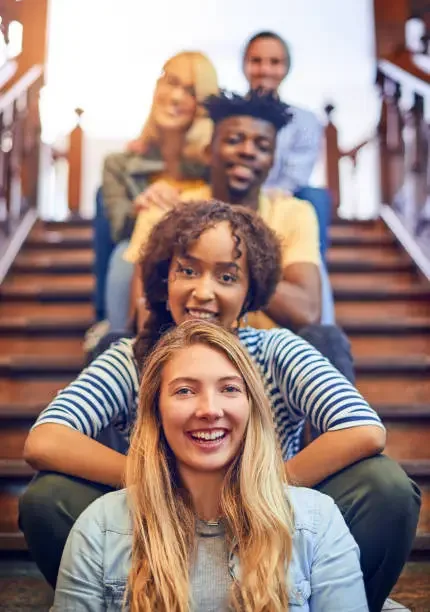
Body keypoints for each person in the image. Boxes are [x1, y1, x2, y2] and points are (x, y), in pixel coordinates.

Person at [20, 201, 419, 611]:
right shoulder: (130, 358)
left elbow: (364, 429)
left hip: (271, 520)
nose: (203, 291)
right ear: (164, 278)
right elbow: (45, 439)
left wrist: (261, 483)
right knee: (47, 497)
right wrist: (153, 480)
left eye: (227, 276)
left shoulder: (276, 349)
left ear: (250, 293)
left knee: (385, 486)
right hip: (161, 524)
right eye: (187, 271)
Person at [53, 320, 369, 611]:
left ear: (252, 407)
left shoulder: (317, 522)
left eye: (229, 389)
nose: (209, 410)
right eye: (185, 391)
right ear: (156, 411)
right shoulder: (99, 527)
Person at [124, 90, 347, 376]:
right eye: (234, 140)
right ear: (208, 151)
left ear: (271, 161)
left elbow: (306, 313)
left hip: (266, 362)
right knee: (114, 342)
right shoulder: (165, 210)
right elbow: (146, 312)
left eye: (262, 146)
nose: (248, 151)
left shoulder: (294, 213)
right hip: (181, 356)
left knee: (327, 340)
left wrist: (240, 260)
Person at [94, 51, 218, 329]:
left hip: (202, 260)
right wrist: (140, 207)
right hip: (142, 260)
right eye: (170, 82)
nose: (175, 97)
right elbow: (118, 228)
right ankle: (118, 342)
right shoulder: (120, 164)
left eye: (190, 91)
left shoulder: (216, 163)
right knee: (125, 252)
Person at [242, 30, 334, 321]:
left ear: (286, 68)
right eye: (256, 61)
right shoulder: (226, 114)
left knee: (315, 198)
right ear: (245, 65)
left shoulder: (304, 120)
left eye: (274, 62)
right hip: (235, 194)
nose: (265, 70)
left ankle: (313, 293)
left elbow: (296, 175)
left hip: (281, 197)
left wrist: (268, 202)